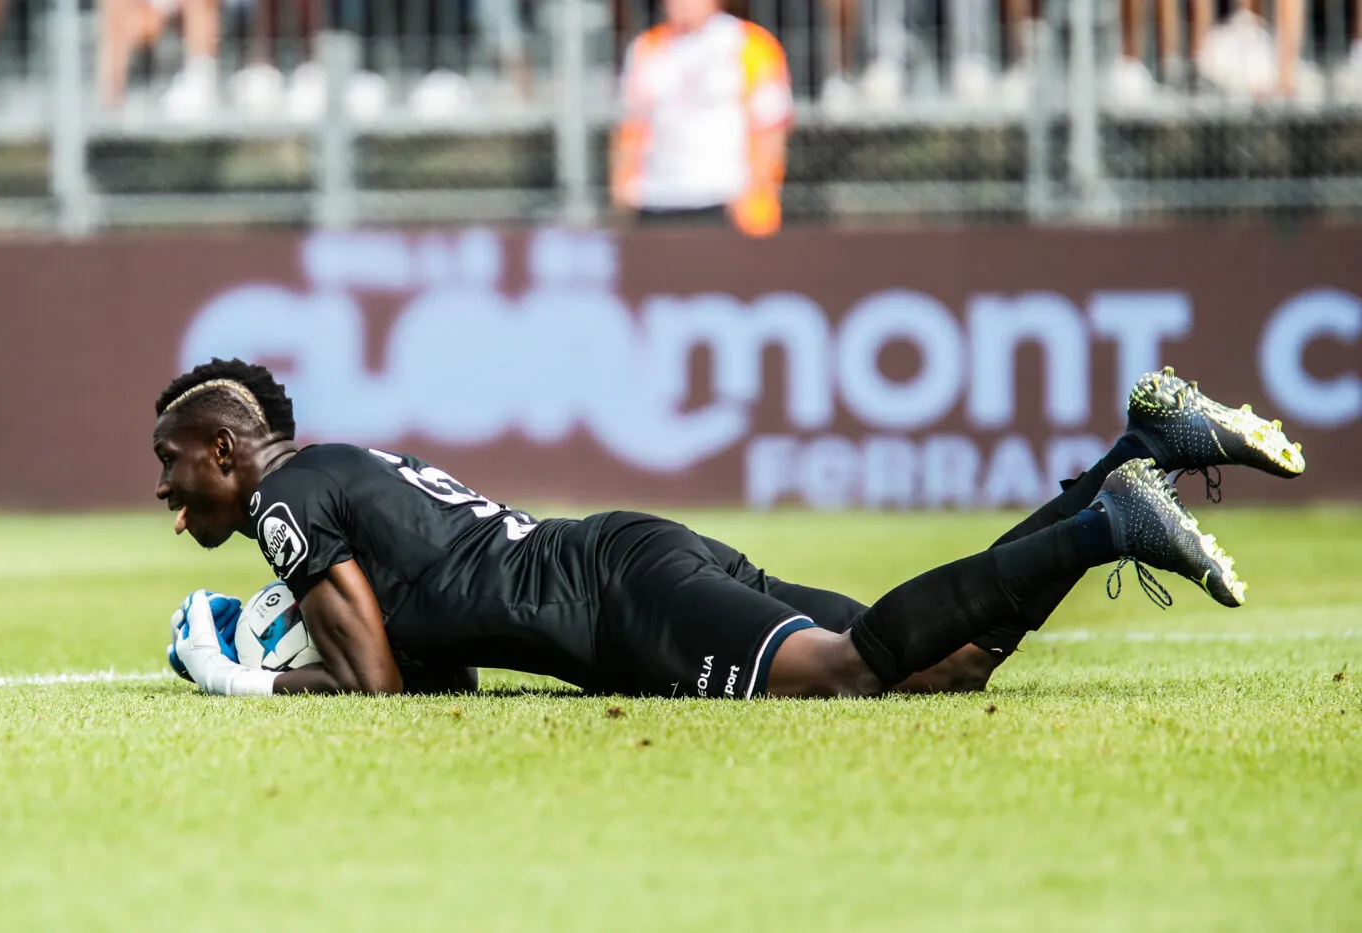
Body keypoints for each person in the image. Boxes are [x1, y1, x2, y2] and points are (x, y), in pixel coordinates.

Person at [155, 359, 1304, 700]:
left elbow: (379, 693)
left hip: (618, 601)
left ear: (223, 448)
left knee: (848, 678)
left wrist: (246, 684)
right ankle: (1137, 451)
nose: (165, 494)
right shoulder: (343, 468)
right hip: (623, 559)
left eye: (170, 464)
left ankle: (1108, 523)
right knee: (941, 667)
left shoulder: (281, 499)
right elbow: (433, 668)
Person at [610, 0, 793, 238]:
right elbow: (631, 124)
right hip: (657, 198)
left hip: (723, 198)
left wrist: (757, 194)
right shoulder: (647, 47)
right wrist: (623, 182)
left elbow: (770, 126)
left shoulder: (750, 44)